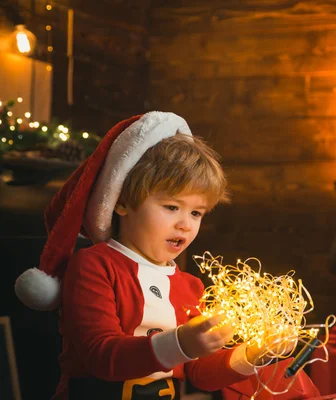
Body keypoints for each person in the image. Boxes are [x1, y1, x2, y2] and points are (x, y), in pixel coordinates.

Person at [15, 112, 273, 399]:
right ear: (122, 202)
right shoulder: (95, 265)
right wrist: (180, 343)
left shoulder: (190, 286)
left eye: (196, 212)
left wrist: (252, 355)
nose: (185, 224)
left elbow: (200, 374)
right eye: (172, 207)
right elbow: (100, 355)